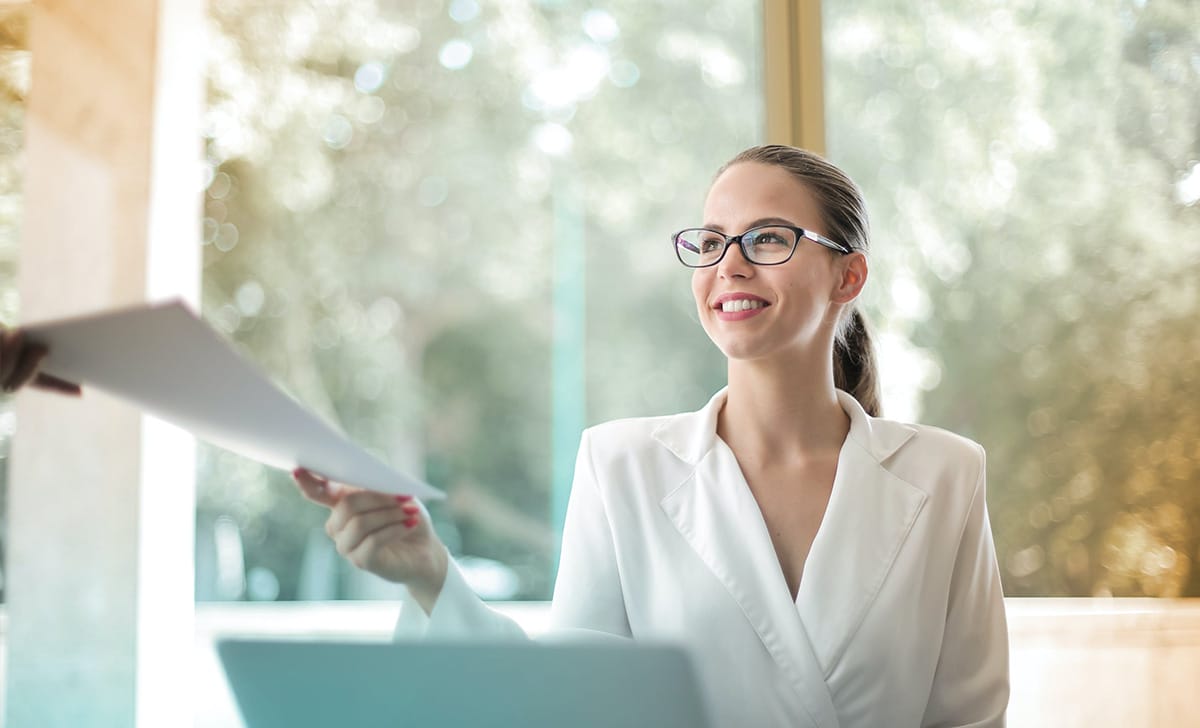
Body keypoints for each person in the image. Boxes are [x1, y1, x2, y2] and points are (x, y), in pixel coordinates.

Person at [7, 145, 1009, 727]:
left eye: (769, 238)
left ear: (848, 275)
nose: (729, 264)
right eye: (709, 241)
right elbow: (570, 704)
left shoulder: (943, 476)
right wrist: (430, 575)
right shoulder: (622, 464)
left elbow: (970, 719)